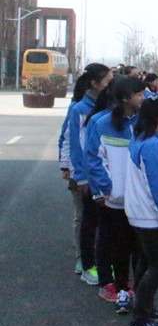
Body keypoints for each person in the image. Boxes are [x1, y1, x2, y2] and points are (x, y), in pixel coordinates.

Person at [86, 76, 145, 308]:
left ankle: (134, 287)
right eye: (139, 94)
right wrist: (105, 189)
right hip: (114, 200)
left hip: (138, 199)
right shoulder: (102, 123)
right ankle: (113, 284)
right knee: (114, 242)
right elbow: (93, 158)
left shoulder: (144, 122)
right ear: (124, 98)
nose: (143, 97)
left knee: (137, 245)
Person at [125, 96, 158, 326]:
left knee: (145, 264)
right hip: (149, 215)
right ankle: (139, 318)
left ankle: (146, 308)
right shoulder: (152, 145)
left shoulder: (142, 139)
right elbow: (157, 185)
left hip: (139, 212)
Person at [68, 63, 113, 285]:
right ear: (94, 83)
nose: (110, 86)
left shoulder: (109, 109)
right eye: (107, 82)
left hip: (106, 178)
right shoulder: (79, 109)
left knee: (106, 226)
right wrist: (82, 178)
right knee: (88, 223)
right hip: (88, 178)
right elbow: (77, 146)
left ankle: (104, 264)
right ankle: (87, 265)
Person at [58, 75, 90, 275]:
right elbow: (66, 137)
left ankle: (95, 255)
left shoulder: (109, 108)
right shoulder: (77, 108)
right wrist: (66, 166)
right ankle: (81, 255)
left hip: (99, 173)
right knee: (81, 215)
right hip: (79, 172)